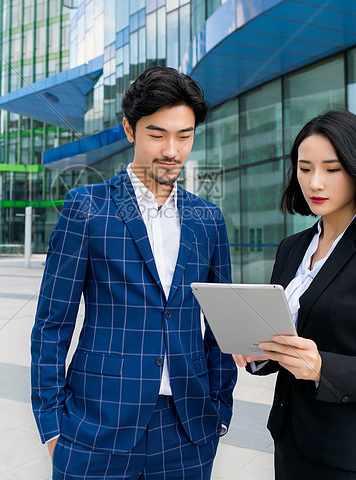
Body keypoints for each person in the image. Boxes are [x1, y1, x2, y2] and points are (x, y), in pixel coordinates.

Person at [31, 67, 237, 479]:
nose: (172, 150)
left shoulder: (208, 218)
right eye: (157, 134)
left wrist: (219, 410)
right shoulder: (86, 208)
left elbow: (221, 324)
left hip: (187, 430)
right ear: (130, 129)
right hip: (96, 424)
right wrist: (52, 424)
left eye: (184, 135)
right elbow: (53, 323)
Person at [233, 109, 356, 479]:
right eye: (305, 169)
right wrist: (258, 352)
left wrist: (322, 367)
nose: (315, 183)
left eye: (332, 169)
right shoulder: (292, 248)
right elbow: (289, 345)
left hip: (353, 458)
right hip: (290, 445)